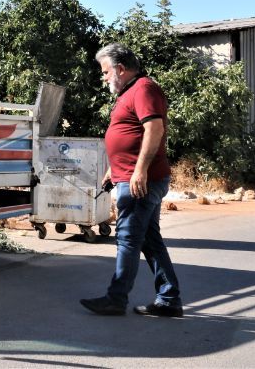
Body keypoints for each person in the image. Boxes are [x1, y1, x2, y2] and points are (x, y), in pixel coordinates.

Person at [80, 43, 183, 317]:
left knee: (127, 239)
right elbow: (129, 136)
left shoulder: (144, 89)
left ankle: (116, 299)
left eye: (105, 72)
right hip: (133, 177)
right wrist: (113, 170)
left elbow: (154, 128)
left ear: (121, 69)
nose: (103, 78)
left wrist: (140, 170)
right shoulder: (130, 92)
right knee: (149, 240)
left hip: (141, 182)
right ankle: (169, 299)